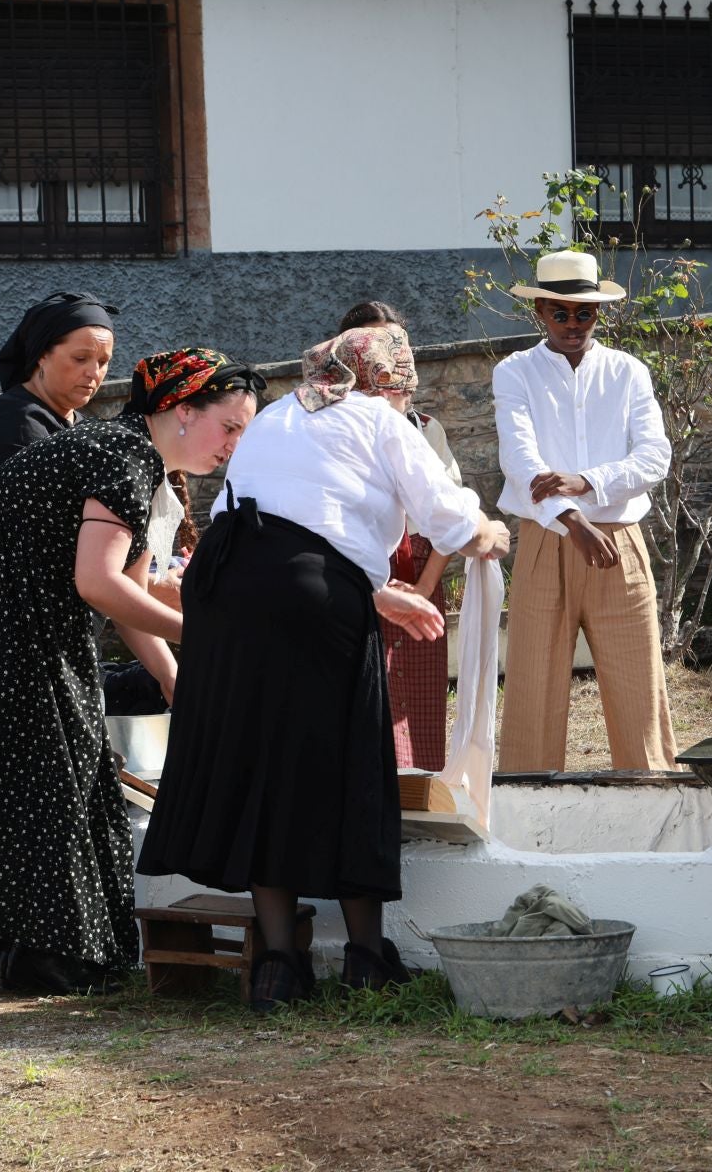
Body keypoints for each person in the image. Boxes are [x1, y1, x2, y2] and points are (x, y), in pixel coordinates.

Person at [138, 324, 511, 1011]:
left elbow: (285, 520)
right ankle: (367, 958)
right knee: (350, 764)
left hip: (225, 582)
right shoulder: (377, 417)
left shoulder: (278, 416)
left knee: (261, 767)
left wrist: (371, 592)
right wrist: (491, 532)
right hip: (304, 591)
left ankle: (279, 965)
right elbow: (450, 519)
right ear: (387, 385)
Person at [0, 348, 265, 995]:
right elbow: (98, 583)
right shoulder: (124, 456)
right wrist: (206, 635)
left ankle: (18, 943)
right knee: (55, 758)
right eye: (230, 425)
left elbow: (128, 596)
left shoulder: (138, 465)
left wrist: (172, 675)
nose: (234, 444)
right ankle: (42, 951)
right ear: (181, 410)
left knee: (32, 761)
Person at [492, 249, 675, 773]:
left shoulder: (628, 371)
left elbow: (655, 456)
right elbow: (520, 459)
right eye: (561, 313)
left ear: (600, 313)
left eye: (585, 312)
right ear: (540, 312)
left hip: (620, 539)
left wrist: (586, 480)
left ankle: (654, 803)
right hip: (547, 538)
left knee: (638, 680)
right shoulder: (515, 372)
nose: (574, 324)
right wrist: (574, 519)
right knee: (532, 682)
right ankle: (526, 812)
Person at [337, 300, 466, 770]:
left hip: (416, 567)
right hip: (352, 572)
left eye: (396, 345)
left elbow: (451, 518)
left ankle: (419, 798)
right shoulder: (330, 427)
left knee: (417, 700)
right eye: (374, 347)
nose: (387, 357)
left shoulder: (426, 430)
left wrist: (426, 587)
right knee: (360, 693)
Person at [0, 291, 118, 495]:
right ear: (42, 354)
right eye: (80, 358)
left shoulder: (78, 422)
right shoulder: (16, 425)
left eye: (103, 362)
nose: (94, 373)